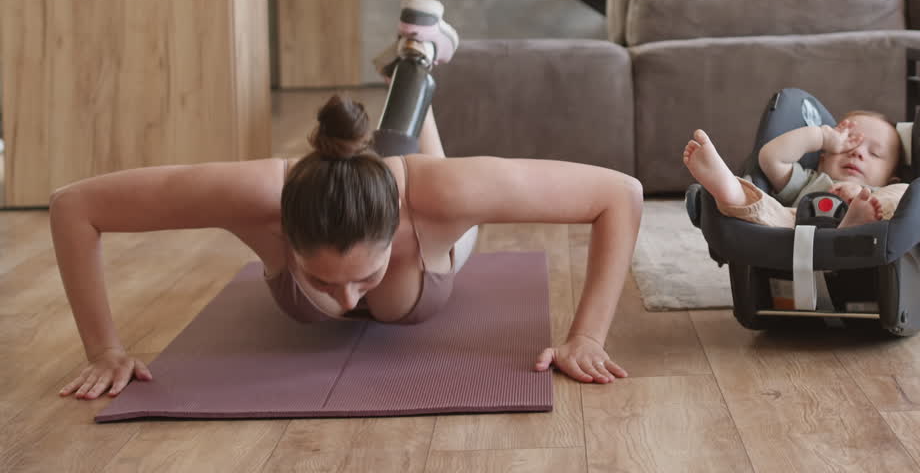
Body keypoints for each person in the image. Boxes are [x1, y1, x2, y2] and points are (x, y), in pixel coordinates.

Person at [52, 24, 641, 403]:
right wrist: (103, 349)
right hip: (389, 204)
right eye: (321, 279)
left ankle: (417, 66)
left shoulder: (442, 197)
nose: (348, 301)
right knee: (411, 191)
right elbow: (74, 206)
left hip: (431, 223)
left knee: (430, 177)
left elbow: (620, 194)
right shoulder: (253, 196)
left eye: (366, 274)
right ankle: (410, 66)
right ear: (285, 232)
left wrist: (585, 336)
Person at [683, 110, 908, 229]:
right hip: (794, 233)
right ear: (822, 158)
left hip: (873, 238)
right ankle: (730, 189)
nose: (857, 153)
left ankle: (856, 222)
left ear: (890, 177)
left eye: (875, 153)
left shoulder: (882, 191)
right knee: (766, 209)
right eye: (847, 144)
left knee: (908, 194)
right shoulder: (811, 181)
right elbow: (770, 158)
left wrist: (864, 195)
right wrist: (822, 136)